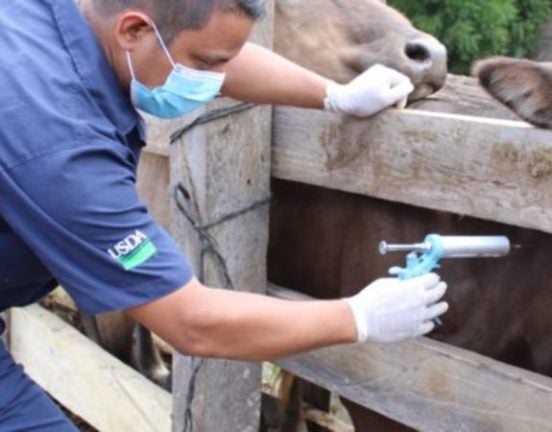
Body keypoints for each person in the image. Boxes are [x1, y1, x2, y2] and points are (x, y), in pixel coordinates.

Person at [0, 0, 449, 429]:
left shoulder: (47, 20)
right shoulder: (60, 152)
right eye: (205, 65)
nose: (215, 80)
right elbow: (191, 321)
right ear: (133, 30)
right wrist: (360, 317)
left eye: (220, 63)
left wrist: (333, 95)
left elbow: (218, 53)